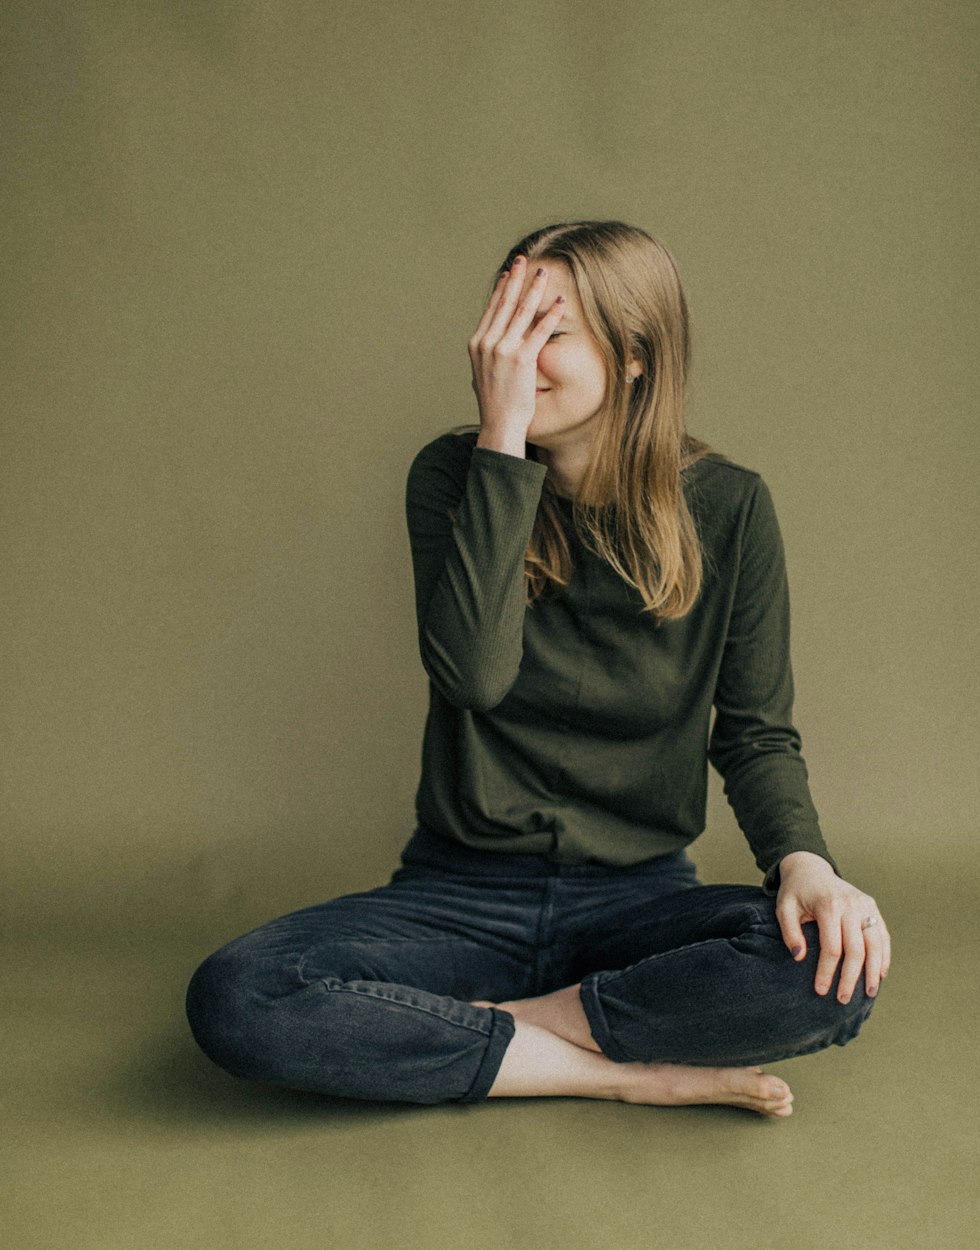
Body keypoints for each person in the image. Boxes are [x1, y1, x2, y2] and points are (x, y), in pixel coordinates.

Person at [186, 220, 890, 1117]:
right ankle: (610, 1071)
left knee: (834, 969)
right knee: (238, 998)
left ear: (635, 355)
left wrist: (806, 865)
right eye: (502, 325)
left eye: (544, 330)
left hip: (639, 900)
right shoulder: (456, 475)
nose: (509, 356)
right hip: (459, 895)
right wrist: (501, 440)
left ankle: (507, 1030)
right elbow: (473, 676)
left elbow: (755, 734)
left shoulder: (731, 507)